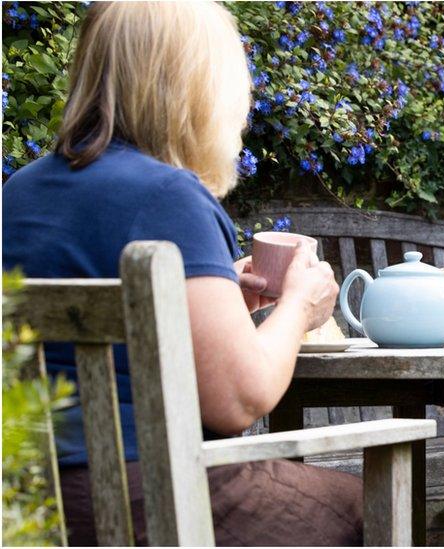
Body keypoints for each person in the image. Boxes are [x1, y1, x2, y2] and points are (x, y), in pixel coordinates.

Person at [2, 2, 361, 545]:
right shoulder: (169, 197)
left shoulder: (18, 193)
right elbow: (240, 402)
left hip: (29, 502)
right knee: (361, 504)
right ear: (196, 87)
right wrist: (298, 306)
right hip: (150, 499)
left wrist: (214, 303)